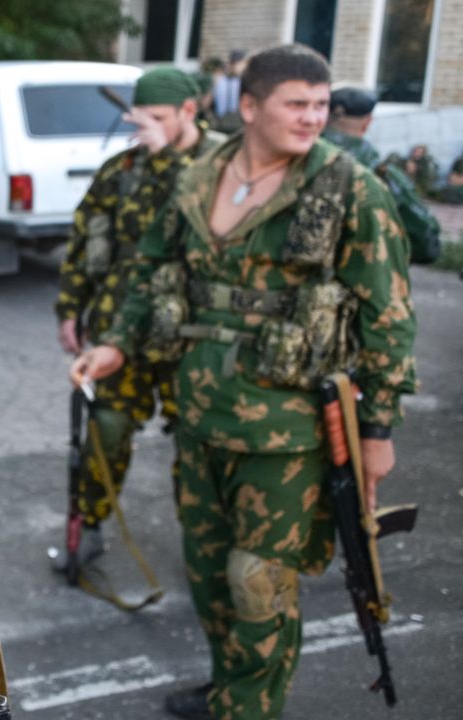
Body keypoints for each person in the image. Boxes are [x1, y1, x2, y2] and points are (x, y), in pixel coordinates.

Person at [71, 44, 416, 720]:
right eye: (298, 103)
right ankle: (231, 686)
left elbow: (390, 320)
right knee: (208, 578)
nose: (314, 117)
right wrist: (115, 343)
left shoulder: (349, 189)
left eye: (321, 104)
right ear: (250, 106)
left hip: (287, 434)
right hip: (199, 419)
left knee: (257, 583)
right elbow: (151, 267)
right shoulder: (200, 177)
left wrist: (378, 432)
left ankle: (248, 708)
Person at [53, 67, 223, 572]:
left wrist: (170, 158)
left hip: (191, 330)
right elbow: (86, 237)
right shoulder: (123, 168)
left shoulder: (222, 167)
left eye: (157, 118)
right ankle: (90, 527)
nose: (143, 127)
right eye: (140, 116)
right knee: (105, 428)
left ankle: (207, 545)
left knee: (197, 438)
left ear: (189, 112)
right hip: (117, 327)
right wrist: (70, 307)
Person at [324, 86, 441, 264]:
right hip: (359, 277)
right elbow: (426, 245)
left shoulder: (288, 159)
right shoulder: (382, 174)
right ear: (367, 122)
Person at [210, 49, 247, 132]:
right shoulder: (221, 80)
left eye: (238, 63)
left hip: (239, 124)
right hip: (220, 122)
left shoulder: (247, 81)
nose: (235, 66)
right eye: (233, 63)